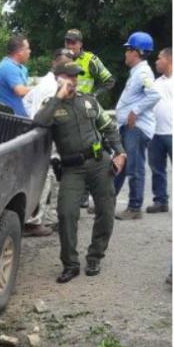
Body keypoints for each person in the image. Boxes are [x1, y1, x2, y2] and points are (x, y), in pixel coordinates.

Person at [33, 62, 126, 283]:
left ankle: (95, 257)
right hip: (72, 168)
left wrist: (120, 152)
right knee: (66, 213)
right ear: (58, 78)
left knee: (106, 210)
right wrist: (59, 96)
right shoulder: (50, 105)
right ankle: (70, 264)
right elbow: (39, 122)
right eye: (68, 77)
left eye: (75, 77)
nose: (73, 81)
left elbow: (108, 127)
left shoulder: (89, 100)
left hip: (99, 162)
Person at [22, 48, 76, 237]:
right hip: (44, 137)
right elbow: (44, 116)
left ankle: (47, 218)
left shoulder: (46, 83)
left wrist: (30, 117)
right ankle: (33, 222)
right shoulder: (51, 88)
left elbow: (27, 101)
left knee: (51, 179)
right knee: (45, 179)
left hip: (38, 135)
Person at [113, 31, 161, 221]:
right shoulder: (137, 73)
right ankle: (107, 201)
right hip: (129, 127)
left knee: (134, 167)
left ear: (136, 52)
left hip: (136, 128)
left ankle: (134, 208)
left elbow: (154, 94)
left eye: (128, 49)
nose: (125, 53)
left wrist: (135, 111)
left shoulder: (143, 73)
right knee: (121, 164)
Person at [146, 47, 174, 214]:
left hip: (172, 132)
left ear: (169, 60)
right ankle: (160, 201)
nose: (156, 62)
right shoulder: (156, 83)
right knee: (157, 169)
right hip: (155, 133)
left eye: (159, 58)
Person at [63, 29, 116, 99]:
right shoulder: (60, 59)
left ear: (80, 44)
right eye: (67, 42)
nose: (70, 46)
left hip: (83, 102)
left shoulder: (91, 60)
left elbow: (110, 81)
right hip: (63, 102)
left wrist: (95, 94)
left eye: (73, 43)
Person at [0, 35, 32, 117]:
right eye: (27, 48)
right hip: (12, 119)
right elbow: (20, 91)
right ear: (20, 51)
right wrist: (39, 89)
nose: (29, 51)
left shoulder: (19, 67)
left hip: (20, 117)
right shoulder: (8, 67)